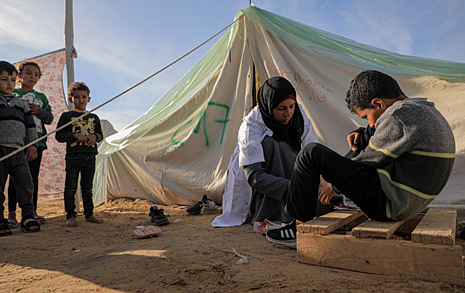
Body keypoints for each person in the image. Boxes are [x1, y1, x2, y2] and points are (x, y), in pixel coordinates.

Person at [266, 70, 456, 248]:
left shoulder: (398, 116)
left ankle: (299, 228)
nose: (369, 123)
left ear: (378, 104)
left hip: (390, 203)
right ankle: (301, 222)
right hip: (410, 200)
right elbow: (382, 140)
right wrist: (363, 132)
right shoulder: (421, 109)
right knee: (367, 135)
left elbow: (367, 161)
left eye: (365, 117)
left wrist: (333, 184)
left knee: (310, 154)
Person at [211, 76, 319, 232]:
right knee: (271, 144)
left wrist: (321, 180)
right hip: (268, 179)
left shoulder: (299, 116)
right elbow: (255, 177)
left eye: (291, 106)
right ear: (268, 107)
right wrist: (291, 185)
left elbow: (312, 151)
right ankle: (279, 214)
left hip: (294, 174)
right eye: (281, 109)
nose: (288, 113)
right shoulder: (251, 126)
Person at [7, 61, 53, 228]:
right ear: (19, 75)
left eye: (36, 74)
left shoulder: (41, 98)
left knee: (32, 178)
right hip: (17, 143)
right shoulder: (12, 94)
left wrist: (38, 111)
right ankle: (11, 214)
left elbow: (50, 118)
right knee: (14, 179)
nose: (32, 77)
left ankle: (31, 212)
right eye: (28, 73)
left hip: (37, 142)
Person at [0, 60, 41, 236]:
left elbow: (30, 126)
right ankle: (1, 220)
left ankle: (27, 216)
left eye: (11, 80)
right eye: (3, 79)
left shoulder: (21, 103)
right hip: (0, 150)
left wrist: (32, 145)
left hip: (18, 151)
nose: (9, 84)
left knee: (26, 184)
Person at [56, 82, 104, 227]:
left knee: (87, 186)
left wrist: (95, 136)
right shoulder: (67, 116)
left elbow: (100, 135)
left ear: (89, 99)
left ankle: (89, 214)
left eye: (84, 97)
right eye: (77, 97)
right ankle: (70, 215)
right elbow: (59, 135)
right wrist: (74, 136)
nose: (81, 100)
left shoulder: (94, 117)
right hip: (73, 156)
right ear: (71, 99)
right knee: (70, 187)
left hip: (90, 155)